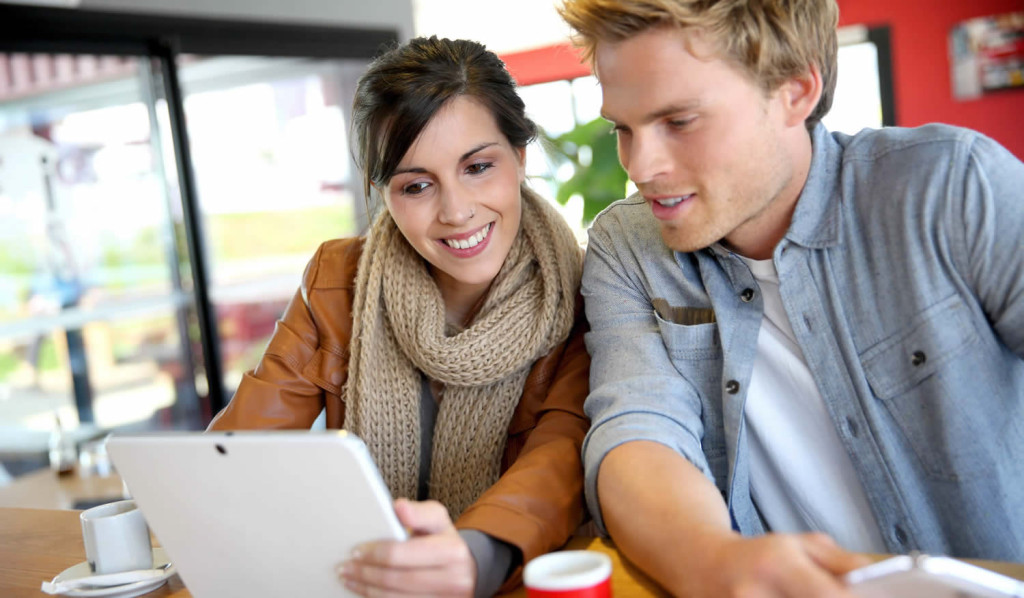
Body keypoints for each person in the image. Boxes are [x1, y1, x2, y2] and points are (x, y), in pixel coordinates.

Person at [557, 0, 1024, 596]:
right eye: (622, 128)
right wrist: (712, 560)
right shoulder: (628, 248)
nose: (641, 166)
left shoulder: (951, 188)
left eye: (679, 121)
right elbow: (636, 432)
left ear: (795, 91)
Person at [208, 36, 590, 598]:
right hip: (366, 579)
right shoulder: (338, 280)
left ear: (521, 159)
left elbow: (562, 459)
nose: (456, 212)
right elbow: (236, 457)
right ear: (383, 193)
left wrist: (473, 554)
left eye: (478, 167)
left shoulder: (582, 295)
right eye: (416, 185)